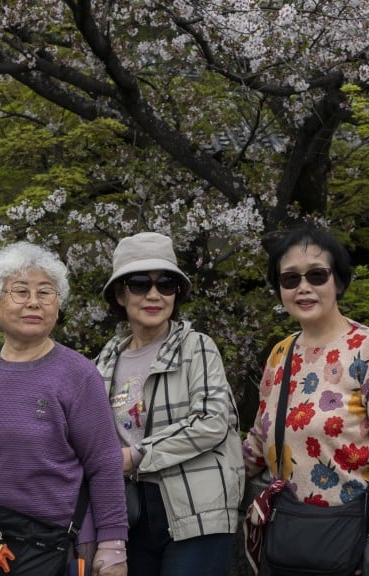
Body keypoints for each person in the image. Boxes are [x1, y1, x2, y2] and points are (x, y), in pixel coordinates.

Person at [0, 241, 129, 576]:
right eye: (20, 291)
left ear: (57, 304)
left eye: (45, 293)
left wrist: (113, 546)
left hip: (64, 543)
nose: (33, 302)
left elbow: (104, 464)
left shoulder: (78, 375)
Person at [242, 223, 369, 576]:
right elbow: (259, 441)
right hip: (288, 535)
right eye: (290, 279)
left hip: (347, 536)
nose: (304, 287)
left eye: (317, 275)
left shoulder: (367, 348)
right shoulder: (280, 354)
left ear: (338, 281)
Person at [93, 232, 245, 576]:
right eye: (139, 283)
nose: (153, 295)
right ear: (120, 293)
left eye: (166, 285)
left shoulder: (196, 347)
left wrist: (135, 456)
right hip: (129, 512)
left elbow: (211, 421)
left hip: (196, 512)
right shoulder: (105, 359)